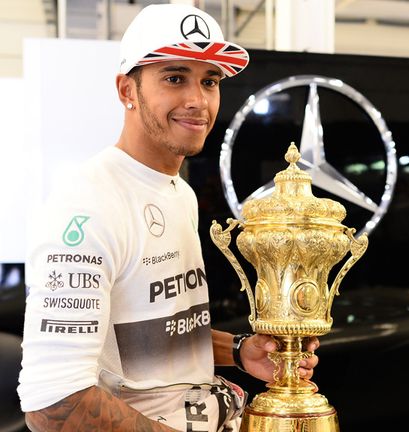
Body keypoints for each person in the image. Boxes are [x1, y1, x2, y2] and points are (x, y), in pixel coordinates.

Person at [17, 4, 319, 431]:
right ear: (127, 90)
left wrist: (238, 350)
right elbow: (53, 404)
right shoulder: (89, 203)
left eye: (209, 81)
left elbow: (147, 334)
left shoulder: (179, 192)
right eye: (175, 77)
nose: (197, 101)